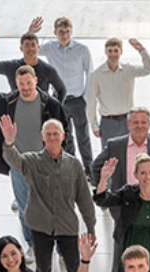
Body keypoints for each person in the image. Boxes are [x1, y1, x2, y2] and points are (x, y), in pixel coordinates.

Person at [0, 115, 97, 272]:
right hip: (40, 226)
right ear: (42, 137)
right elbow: (13, 159)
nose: (52, 138)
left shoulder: (73, 165)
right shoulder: (32, 161)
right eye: (48, 134)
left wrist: (91, 227)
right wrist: (8, 142)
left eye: (56, 134)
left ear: (63, 136)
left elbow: (84, 198)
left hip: (67, 227)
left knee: (74, 269)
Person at [0, 60, 68, 260]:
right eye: (21, 84)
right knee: (25, 209)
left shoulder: (50, 104)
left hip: (46, 165)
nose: (25, 88)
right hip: (19, 165)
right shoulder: (6, 102)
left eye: (29, 83)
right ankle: (31, 244)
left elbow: (66, 134)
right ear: (16, 83)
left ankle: (59, 248)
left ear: (36, 81)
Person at [29, 16, 96, 173]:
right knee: (65, 136)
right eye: (61, 32)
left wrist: (86, 98)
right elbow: (32, 48)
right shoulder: (50, 47)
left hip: (78, 100)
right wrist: (31, 32)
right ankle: (71, 169)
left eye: (67, 32)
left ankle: (89, 170)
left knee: (83, 137)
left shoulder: (82, 50)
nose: (64, 36)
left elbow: (90, 73)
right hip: (59, 100)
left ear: (71, 32)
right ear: (55, 32)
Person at [86, 36, 150, 145]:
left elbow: (149, 68)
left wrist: (141, 50)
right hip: (108, 122)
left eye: (116, 51)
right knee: (109, 156)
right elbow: (91, 101)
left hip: (128, 121)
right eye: (110, 51)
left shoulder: (128, 70)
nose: (113, 54)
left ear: (121, 52)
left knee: (130, 153)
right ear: (105, 52)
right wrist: (94, 125)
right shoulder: (96, 75)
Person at [0, 26, 66, 101]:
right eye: (27, 45)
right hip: (17, 111)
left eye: (33, 45)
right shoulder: (11, 66)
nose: (30, 48)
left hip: (41, 114)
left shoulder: (48, 70)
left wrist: (55, 111)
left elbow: (61, 90)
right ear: (21, 48)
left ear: (38, 48)